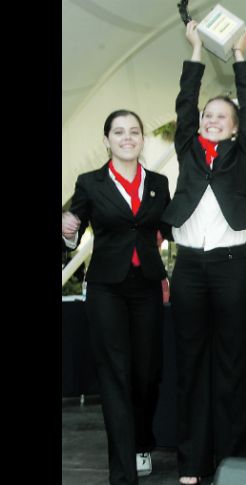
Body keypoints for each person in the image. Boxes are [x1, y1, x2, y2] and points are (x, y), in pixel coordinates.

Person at [161, 21, 246, 484]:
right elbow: (184, 103)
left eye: (222, 116)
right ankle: (192, 463)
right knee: (191, 366)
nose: (211, 120)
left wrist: (240, 56)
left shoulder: (243, 153)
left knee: (232, 366)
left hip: (231, 268)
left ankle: (231, 462)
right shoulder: (188, 148)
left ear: (236, 127)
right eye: (208, 115)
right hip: (189, 271)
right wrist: (196, 51)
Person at [62, 109, 171, 485]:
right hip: (106, 287)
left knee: (146, 373)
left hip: (147, 287)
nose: (128, 137)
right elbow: (70, 233)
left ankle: (142, 440)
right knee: (114, 375)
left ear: (143, 139)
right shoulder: (90, 183)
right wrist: (68, 231)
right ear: (106, 140)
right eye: (119, 132)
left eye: (135, 131)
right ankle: (123, 472)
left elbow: (169, 227)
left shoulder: (158, 183)